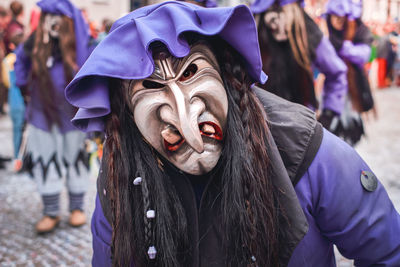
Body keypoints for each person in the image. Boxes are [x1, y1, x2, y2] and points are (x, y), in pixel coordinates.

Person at [65, 2, 400, 266]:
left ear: (226, 73)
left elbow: (386, 248)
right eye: (151, 86)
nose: (183, 115)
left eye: (191, 72)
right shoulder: (122, 166)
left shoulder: (300, 145)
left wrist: (329, 110)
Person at [14, 0, 91, 234]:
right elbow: (20, 65)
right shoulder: (34, 44)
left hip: (74, 116)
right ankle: (51, 211)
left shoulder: (81, 45)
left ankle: (77, 208)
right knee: (46, 159)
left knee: (76, 158)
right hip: (42, 113)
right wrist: (26, 85)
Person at [250, 0, 348, 132]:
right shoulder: (253, 24)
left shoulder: (305, 28)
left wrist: (328, 114)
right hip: (261, 127)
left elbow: (336, 72)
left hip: (301, 128)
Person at [325, 0, 374, 145]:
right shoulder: (326, 35)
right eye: (334, 16)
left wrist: (343, 48)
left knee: (350, 130)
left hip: (352, 89)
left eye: (341, 16)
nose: (338, 20)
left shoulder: (358, 29)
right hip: (330, 90)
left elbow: (364, 54)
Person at [2, 30, 25, 166]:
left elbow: (6, 81)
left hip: (14, 98)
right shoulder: (25, 59)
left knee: (16, 130)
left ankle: (17, 156)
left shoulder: (7, 60)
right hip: (24, 98)